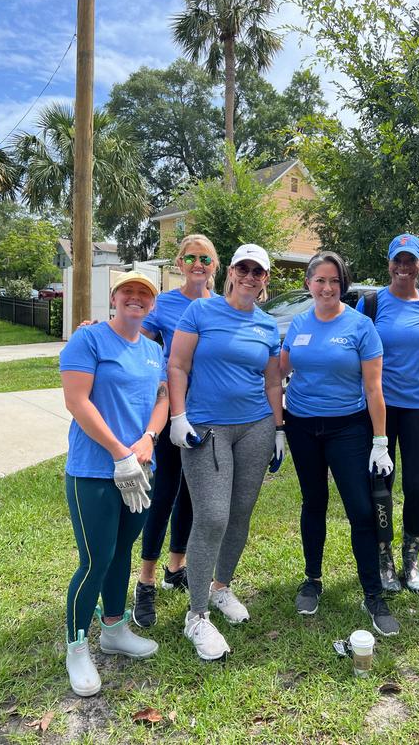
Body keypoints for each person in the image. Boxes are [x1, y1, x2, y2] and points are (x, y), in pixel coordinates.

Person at [168, 244, 285, 660]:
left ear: (265, 278)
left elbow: (272, 382)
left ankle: (221, 588)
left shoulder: (267, 325)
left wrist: (279, 429)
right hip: (207, 427)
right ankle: (196, 614)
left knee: (239, 512)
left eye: (258, 271)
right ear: (231, 272)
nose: (250, 276)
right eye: (243, 268)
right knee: (212, 516)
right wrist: (178, 416)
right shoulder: (201, 311)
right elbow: (177, 365)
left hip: (256, 426)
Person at [60, 271, 168, 697]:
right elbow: (76, 400)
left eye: (144, 293)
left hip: (141, 468)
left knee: (123, 550)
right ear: (114, 297)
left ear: (152, 304)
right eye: (128, 291)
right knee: (96, 558)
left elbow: (162, 399)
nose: (136, 298)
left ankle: (114, 629)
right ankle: (76, 648)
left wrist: (148, 438)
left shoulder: (153, 350)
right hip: (94, 470)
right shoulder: (88, 340)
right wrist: (118, 451)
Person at [281, 251, 400, 636]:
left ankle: (372, 594)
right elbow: (279, 369)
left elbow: (374, 388)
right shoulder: (298, 323)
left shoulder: (361, 326)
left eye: (334, 280)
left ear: (343, 285)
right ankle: (312, 579)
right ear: (308, 284)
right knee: (313, 502)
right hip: (301, 426)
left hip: (347, 427)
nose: (327, 287)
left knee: (361, 510)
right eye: (320, 280)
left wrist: (380, 441)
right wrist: (279, 426)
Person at [132, 234, 219, 629]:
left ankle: (175, 567)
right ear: (180, 263)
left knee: (192, 494)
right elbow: (136, 343)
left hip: (207, 412)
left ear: (214, 265)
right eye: (191, 258)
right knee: (165, 492)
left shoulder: (220, 307)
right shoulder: (165, 304)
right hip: (171, 410)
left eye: (205, 258)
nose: (198, 264)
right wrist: (97, 332)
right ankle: (146, 580)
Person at [357, 234, 419, 593]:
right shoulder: (371, 303)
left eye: (410, 260)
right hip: (379, 408)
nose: (404, 267)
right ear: (389, 263)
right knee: (381, 485)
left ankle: (411, 559)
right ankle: (384, 559)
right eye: (398, 260)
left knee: (415, 485)